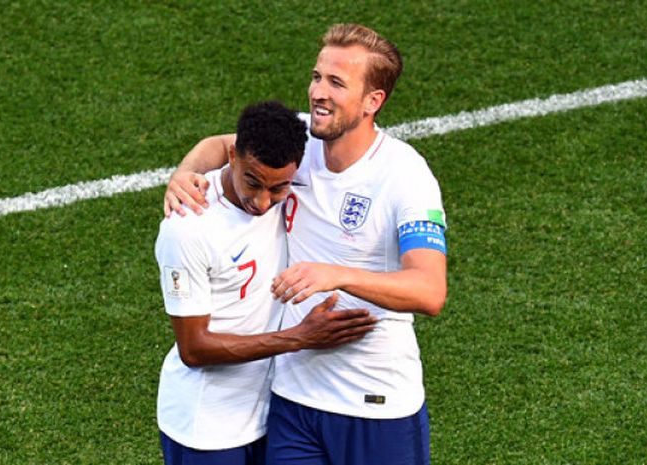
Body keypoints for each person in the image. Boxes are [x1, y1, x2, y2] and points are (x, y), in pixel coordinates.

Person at [164, 24, 448, 465]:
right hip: (292, 402)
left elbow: (429, 291)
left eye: (337, 83)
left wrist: (337, 274)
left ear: (374, 101)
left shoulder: (405, 176)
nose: (319, 93)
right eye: (317, 77)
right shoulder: (301, 140)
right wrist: (184, 172)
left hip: (374, 401)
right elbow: (224, 145)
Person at [154, 100, 377, 465]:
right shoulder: (188, 228)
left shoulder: (285, 171)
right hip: (205, 430)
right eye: (252, 182)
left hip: (267, 416)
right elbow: (193, 349)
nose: (261, 201)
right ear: (233, 156)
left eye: (278, 189)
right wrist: (300, 338)